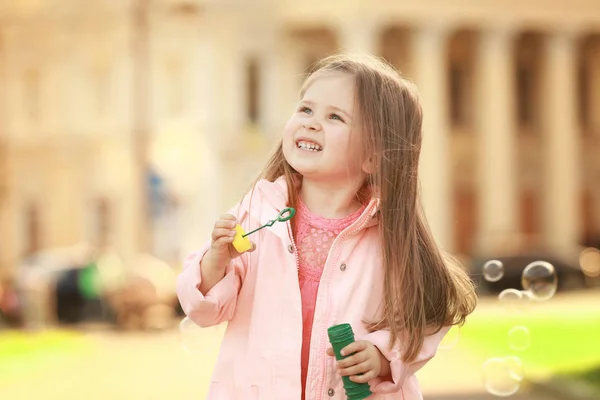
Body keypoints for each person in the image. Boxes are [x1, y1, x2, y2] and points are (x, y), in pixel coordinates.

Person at [177, 53, 477, 400]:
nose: (311, 123)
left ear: (373, 156)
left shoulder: (390, 238)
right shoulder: (258, 213)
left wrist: (382, 356)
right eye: (305, 109)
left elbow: (425, 315)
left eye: (335, 116)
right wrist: (216, 261)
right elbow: (204, 309)